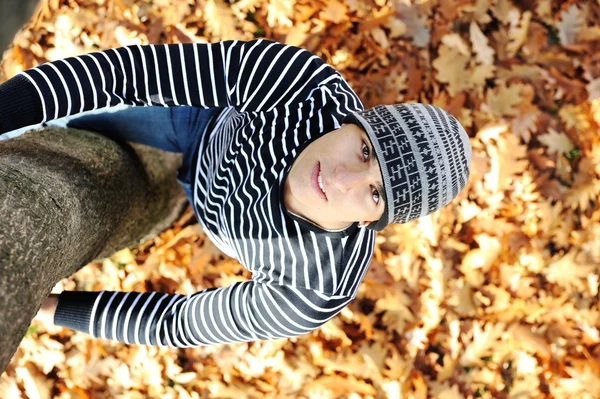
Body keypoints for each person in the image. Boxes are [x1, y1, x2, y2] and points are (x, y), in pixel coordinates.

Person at [0, 39, 471, 347]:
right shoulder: (302, 87)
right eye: (365, 151)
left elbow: (179, 322)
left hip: (214, 209)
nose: (343, 179)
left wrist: (55, 309)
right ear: (353, 122)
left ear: (371, 221)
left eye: (372, 194)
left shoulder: (316, 287)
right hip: (204, 125)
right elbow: (126, 74)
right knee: (64, 130)